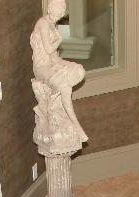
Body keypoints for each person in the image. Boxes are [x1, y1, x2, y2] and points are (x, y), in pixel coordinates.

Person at [31, 0, 88, 144]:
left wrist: (64, 64)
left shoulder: (52, 23)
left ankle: (59, 97)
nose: (59, 17)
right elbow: (49, 49)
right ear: (52, 10)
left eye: (61, 14)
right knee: (65, 86)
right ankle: (76, 126)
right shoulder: (43, 24)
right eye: (58, 14)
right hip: (42, 67)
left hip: (52, 62)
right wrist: (59, 39)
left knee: (79, 70)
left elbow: (54, 55)